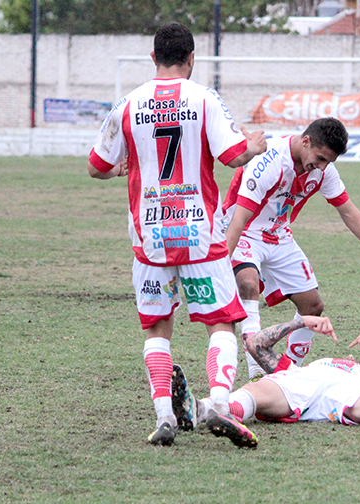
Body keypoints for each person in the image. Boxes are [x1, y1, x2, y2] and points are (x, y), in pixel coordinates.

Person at [87, 22, 267, 446]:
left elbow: (95, 165)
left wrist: (120, 169)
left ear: (153, 58)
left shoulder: (128, 104)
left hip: (149, 236)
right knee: (221, 322)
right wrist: (255, 145)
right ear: (191, 59)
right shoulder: (204, 97)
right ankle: (219, 405)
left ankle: (165, 416)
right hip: (198, 233)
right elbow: (233, 154)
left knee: (157, 328)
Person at [222, 117, 360, 379]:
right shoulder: (270, 161)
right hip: (243, 229)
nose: (322, 167)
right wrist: (220, 265)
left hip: (278, 234)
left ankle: (288, 372)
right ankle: (257, 368)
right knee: (248, 284)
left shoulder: (322, 171)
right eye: (320, 158)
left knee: (313, 306)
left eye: (328, 162)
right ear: (306, 141)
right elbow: (240, 217)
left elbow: (347, 210)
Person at [171, 315, 360, 439]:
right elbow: (255, 344)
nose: (349, 357)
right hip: (301, 383)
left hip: (352, 391)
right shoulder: (302, 367)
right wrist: (301, 321)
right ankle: (199, 410)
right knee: (258, 389)